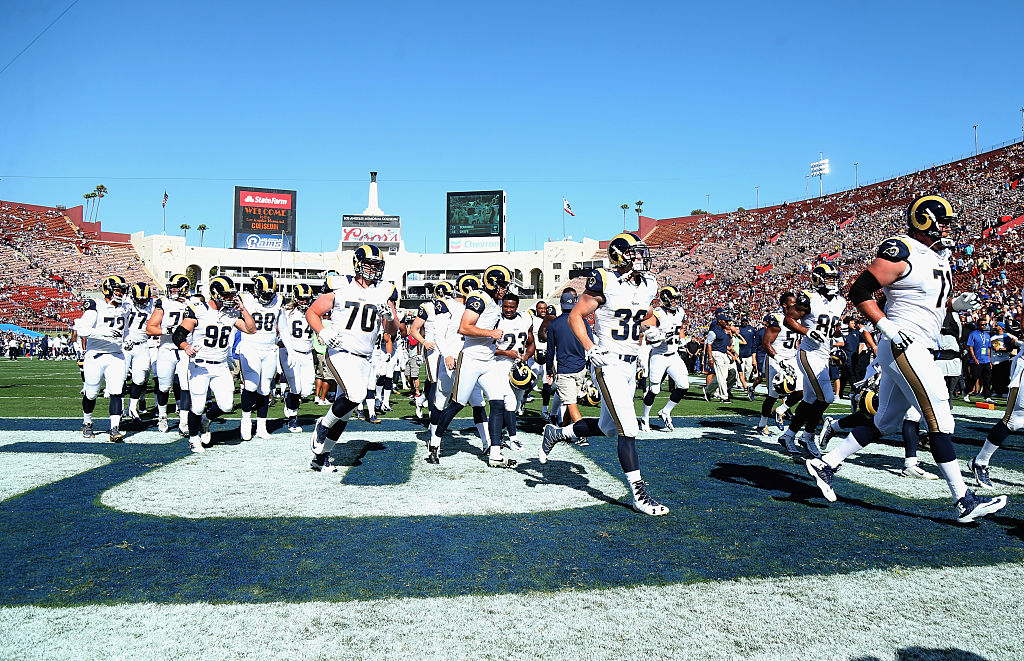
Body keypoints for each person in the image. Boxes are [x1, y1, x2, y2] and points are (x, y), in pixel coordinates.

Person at [805, 195, 1007, 523]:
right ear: (923, 220)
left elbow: (928, 307)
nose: (948, 227)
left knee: (885, 421)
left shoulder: (939, 258)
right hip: (904, 344)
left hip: (914, 345)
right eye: (941, 221)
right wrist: (886, 325)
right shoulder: (903, 249)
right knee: (940, 415)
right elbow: (859, 291)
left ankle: (826, 463)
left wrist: (955, 307)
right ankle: (963, 500)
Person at [540, 231, 668, 516]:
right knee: (629, 428)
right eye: (635, 253)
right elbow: (575, 316)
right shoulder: (604, 280)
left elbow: (643, 315)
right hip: (607, 361)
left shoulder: (647, 283)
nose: (640, 258)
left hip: (631, 363)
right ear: (620, 255)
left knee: (609, 428)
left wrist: (652, 328)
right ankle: (639, 495)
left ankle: (558, 433)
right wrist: (589, 347)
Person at [308, 245, 400, 472]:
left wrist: (389, 316)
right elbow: (312, 311)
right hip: (340, 351)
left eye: (377, 265)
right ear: (358, 264)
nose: (373, 269)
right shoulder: (340, 285)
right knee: (356, 395)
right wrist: (323, 331)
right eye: (369, 264)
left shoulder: (385, 290)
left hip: (364, 357)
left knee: (345, 413)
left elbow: (394, 330)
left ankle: (321, 457)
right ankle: (322, 424)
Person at [425, 265, 519, 468]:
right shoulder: (479, 298)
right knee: (457, 404)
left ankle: (494, 453)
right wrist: (490, 334)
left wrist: (492, 340)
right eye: (501, 285)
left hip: (488, 361)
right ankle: (435, 442)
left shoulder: (494, 301)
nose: (504, 289)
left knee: (497, 402)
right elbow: (464, 328)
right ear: (491, 282)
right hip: (471, 360)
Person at [173, 276, 256, 453]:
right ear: (215, 294)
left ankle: (206, 420)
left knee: (226, 405)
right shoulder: (198, 310)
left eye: (231, 295)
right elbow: (178, 335)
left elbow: (251, 329)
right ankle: (194, 438)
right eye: (226, 295)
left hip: (220, 365)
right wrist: (186, 346)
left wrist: (244, 310)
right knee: (196, 405)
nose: (230, 298)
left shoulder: (232, 313)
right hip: (200, 365)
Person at [778, 263, 847, 460]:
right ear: (818, 279)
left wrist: (836, 344)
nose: (833, 281)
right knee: (827, 398)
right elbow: (788, 320)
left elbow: (832, 328)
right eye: (829, 278)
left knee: (809, 400)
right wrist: (807, 331)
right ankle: (808, 436)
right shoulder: (809, 298)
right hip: (808, 353)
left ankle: (789, 435)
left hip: (824, 354)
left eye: (835, 277)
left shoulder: (840, 301)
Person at [75, 275, 130, 441]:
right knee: (91, 393)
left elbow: (125, 330)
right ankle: (87, 422)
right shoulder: (95, 307)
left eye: (122, 290)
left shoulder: (125, 308)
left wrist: (128, 342)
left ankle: (114, 428)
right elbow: (82, 331)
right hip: (96, 355)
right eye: (117, 290)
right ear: (108, 290)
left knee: (116, 392)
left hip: (116, 355)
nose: (121, 293)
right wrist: (103, 332)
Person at [237, 274, 282, 440]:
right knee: (250, 386)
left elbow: (281, 322)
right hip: (250, 347)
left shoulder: (278, 299)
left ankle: (261, 426)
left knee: (264, 388)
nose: (267, 298)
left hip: (270, 349)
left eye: (270, 294)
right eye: (264, 294)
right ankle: (246, 421)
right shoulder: (245, 299)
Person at [640, 285, 689, 431]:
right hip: (659, 356)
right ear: (666, 299)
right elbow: (645, 329)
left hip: (673, 355)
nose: (676, 301)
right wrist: (657, 335)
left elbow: (680, 328)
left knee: (683, 385)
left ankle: (666, 411)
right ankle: (645, 418)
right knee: (654, 390)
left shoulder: (680, 311)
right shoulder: (658, 313)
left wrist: (682, 339)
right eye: (673, 299)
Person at [492, 291, 535, 450]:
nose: (508, 310)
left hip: (518, 365)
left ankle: (498, 432)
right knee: (509, 401)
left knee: (516, 405)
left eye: (511, 307)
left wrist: (525, 358)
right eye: (505, 306)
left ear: (517, 306)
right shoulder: (496, 320)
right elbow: (488, 348)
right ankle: (513, 438)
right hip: (501, 364)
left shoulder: (525, 318)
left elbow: (531, 343)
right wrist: (505, 353)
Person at [544, 290, 593, 430]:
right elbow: (591, 344)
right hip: (581, 368)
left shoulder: (554, 324)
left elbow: (550, 350)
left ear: (561, 305)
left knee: (570, 404)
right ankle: (564, 429)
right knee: (571, 402)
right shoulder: (583, 322)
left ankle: (582, 434)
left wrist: (549, 370)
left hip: (565, 369)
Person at [757, 292, 803, 434]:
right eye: (792, 303)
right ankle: (762, 424)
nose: (796, 305)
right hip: (775, 359)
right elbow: (766, 344)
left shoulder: (799, 320)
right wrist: (779, 359)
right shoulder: (777, 318)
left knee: (801, 391)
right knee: (773, 395)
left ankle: (781, 410)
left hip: (791, 359)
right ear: (784, 305)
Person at [409, 281, 454, 421]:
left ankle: (421, 400)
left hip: (447, 348)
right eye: (446, 294)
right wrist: (424, 342)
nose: (449, 297)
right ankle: (433, 418)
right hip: (433, 349)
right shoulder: (427, 307)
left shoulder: (454, 307)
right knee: (434, 382)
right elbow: (413, 329)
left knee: (447, 383)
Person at [278, 284, 317, 432]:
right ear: (295, 298)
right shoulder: (286, 312)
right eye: (301, 299)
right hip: (290, 353)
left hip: (307, 353)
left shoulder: (314, 312)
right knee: (296, 387)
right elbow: (278, 329)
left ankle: (289, 399)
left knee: (306, 391)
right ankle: (292, 419)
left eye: (307, 299)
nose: (304, 302)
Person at [122, 282, 155, 423]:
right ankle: (120, 407)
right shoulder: (125, 303)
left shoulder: (153, 304)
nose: (142, 302)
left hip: (142, 345)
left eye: (144, 299)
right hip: (125, 345)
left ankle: (132, 408)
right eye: (139, 299)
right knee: (121, 377)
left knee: (140, 378)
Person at [703, 311, 738, 402]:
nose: (726, 322)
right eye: (725, 321)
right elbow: (709, 344)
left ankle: (708, 390)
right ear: (719, 321)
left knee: (726, 374)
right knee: (722, 376)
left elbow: (723, 343)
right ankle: (724, 397)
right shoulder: (713, 331)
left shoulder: (722, 330)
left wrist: (730, 349)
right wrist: (710, 358)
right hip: (716, 353)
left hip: (723, 353)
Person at [966, 317, 994, 403]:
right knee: (974, 377)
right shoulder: (973, 334)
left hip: (986, 360)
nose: (984, 326)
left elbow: (988, 348)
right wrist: (974, 358)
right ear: (978, 325)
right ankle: (967, 392)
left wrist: (989, 360)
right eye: (982, 325)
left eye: (985, 325)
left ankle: (987, 396)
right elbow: (970, 346)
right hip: (977, 360)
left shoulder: (987, 335)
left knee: (987, 379)